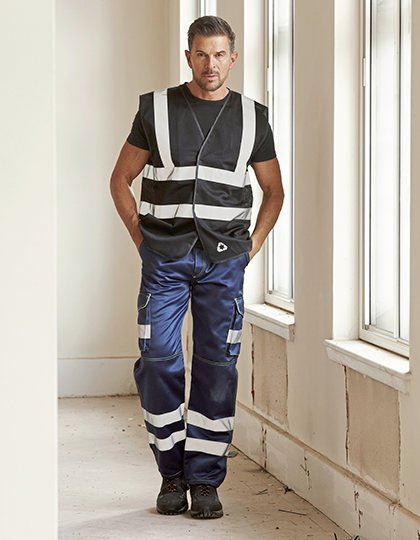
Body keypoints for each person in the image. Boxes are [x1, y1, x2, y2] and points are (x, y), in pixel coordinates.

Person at [110, 15, 284, 519]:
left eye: (220, 54)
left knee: (217, 367)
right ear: (189, 56)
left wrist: (251, 248)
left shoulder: (253, 117)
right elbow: (120, 179)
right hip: (164, 259)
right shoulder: (157, 109)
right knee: (158, 359)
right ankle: (171, 472)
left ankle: (205, 480)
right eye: (202, 54)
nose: (211, 64)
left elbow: (274, 191)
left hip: (224, 262)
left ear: (233, 58)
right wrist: (141, 239)